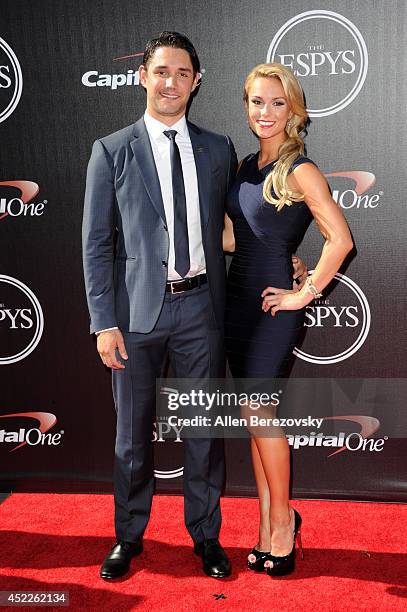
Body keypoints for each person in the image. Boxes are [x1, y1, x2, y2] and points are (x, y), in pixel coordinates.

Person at [82, 31, 238, 580]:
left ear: (196, 82)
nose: (171, 82)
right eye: (161, 71)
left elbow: (235, 227)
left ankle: (206, 536)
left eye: (182, 73)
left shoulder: (218, 148)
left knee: (203, 432)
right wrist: (103, 321)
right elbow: (97, 243)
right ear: (143, 76)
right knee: (131, 437)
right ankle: (129, 535)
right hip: (134, 315)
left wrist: (284, 260)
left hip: (201, 310)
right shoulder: (111, 150)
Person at [223, 63, 353, 577]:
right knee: (257, 421)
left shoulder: (300, 169)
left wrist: (305, 293)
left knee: (258, 412)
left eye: (277, 103)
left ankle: (283, 522)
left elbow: (340, 239)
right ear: (247, 106)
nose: (266, 112)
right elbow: (237, 239)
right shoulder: (246, 167)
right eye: (257, 101)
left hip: (276, 307)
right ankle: (265, 523)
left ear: (294, 110)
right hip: (238, 302)